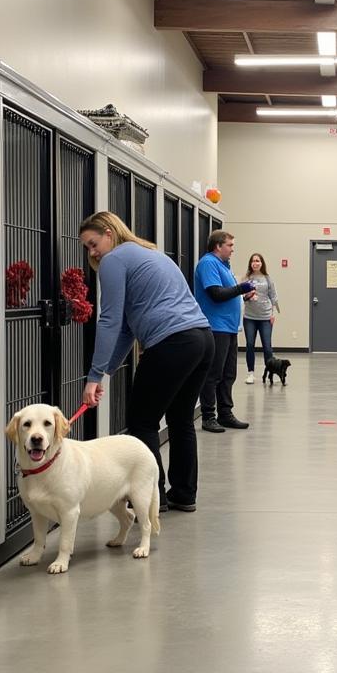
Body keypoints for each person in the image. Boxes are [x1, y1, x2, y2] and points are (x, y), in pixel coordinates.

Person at [79, 210, 214, 514]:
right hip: (201, 340)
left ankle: (153, 499)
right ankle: (183, 494)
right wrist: (107, 371)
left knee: (142, 421)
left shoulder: (114, 260)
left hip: (172, 342)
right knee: (181, 419)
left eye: (93, 243)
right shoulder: (151, 253)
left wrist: (93, 374)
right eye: (87, 247)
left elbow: (110, 319)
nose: (93, 252)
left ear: (109, 233)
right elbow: (128, 327)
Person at [194, 230, 256, 432]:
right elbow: (216, 294)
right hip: (215, 327)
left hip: (228, 328)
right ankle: (209, 416)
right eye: (229, 245)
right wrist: (242, 288)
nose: (232, 250)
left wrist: (243, 296)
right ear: (217, 246)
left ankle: (225, 414)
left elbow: (228, 295)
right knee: (213, 374)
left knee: (228, 374)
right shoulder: (208, 263)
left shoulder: (223, 266)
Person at [241, 252, 279, 384]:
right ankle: (250, 373)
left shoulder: (267, 278)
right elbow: (241, 297)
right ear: (250, 264)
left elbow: (273, 296)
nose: (255, 263)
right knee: (250, 345)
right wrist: (248, 296)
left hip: (265, 317)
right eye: (253, 261)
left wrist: (273, 314)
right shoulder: (246, 278)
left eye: (258, 261)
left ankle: (270, 372)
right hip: (249, 317)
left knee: (267, 346)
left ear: (262, 263)